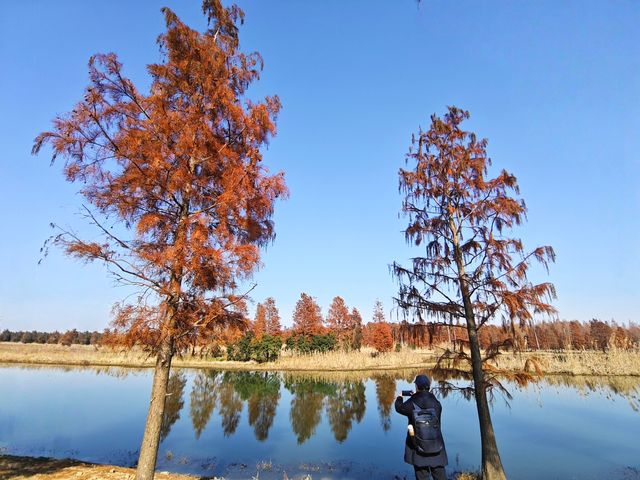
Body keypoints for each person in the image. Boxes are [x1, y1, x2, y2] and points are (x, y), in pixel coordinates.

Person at [395, 374, 448, 480]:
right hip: (436, 448)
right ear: (429, 386)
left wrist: (400, 396)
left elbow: (399, 408)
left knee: (422, 476)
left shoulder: (412, 403)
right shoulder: (437, 404)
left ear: (417, 386)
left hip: (418, 449)